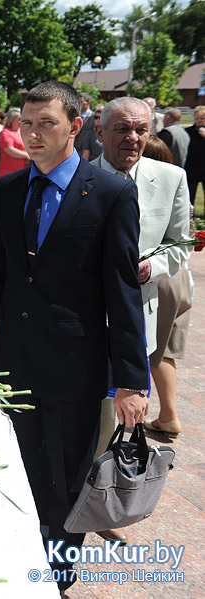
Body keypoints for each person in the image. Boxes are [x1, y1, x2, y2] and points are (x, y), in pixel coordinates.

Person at [0, 81, 148, 592]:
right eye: (27, 122)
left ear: (75, 124)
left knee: (66, 482)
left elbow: (121, 292)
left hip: (77, 369)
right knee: (22, 472)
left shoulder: (111, 193)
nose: (33, 133)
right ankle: (25, 563)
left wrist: (132, 379)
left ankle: (58, 578)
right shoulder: (8, 189)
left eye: (46, 123)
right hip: (16, 364)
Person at [89, 99, 190, 514]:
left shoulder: (170, 177)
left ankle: (103, 502)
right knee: (90, 412)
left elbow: (181, 244)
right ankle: (76, 493)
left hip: (136, 317)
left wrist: (152, 265)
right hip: (84, 317)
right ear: (99, 132)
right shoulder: (78, 177)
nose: (132, 137)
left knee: (120, 413)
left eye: (140, 130)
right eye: (121, 129)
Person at [141, 136, 195, 442]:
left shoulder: (153, 189)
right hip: (180, 277)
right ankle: (168, 415)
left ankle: (164, 413)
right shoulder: (178, 185)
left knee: (153, 349)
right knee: (166, 349)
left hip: (158, 278)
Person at [0, 108, 29, 178]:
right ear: (11, 121)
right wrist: (27, 155)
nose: (21, 122)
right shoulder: (5, 133)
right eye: (19, 119)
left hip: (23, 170)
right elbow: (9, 150)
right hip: (9, 170)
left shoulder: (22, 132)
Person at [186, 106, 205, 211]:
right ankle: (190, 214)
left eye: (201, 119)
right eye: (197, 118)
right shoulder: (188, 131)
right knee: (190, 194)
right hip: (192, 167)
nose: (198, 121)